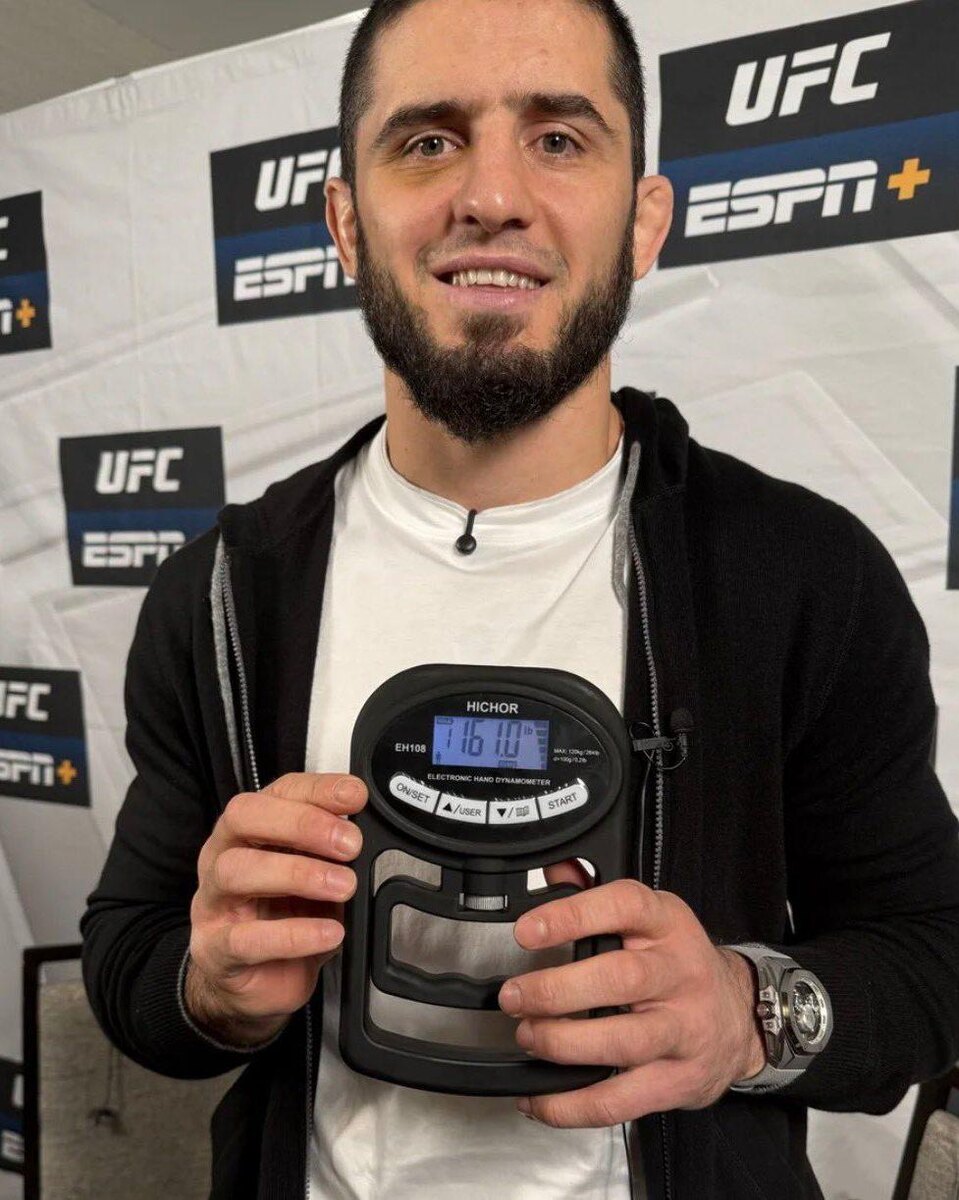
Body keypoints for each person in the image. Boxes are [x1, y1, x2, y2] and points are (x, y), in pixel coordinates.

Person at [81, 0, 959, 1197]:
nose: (490, 195)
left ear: (642, 221)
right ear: (344, 221)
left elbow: (932, 958)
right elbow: (128, 956)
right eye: (425, 141)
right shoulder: (223, 594)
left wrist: (742, 1013)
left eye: (556, 139)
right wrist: (210, 987)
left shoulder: (804, 572)